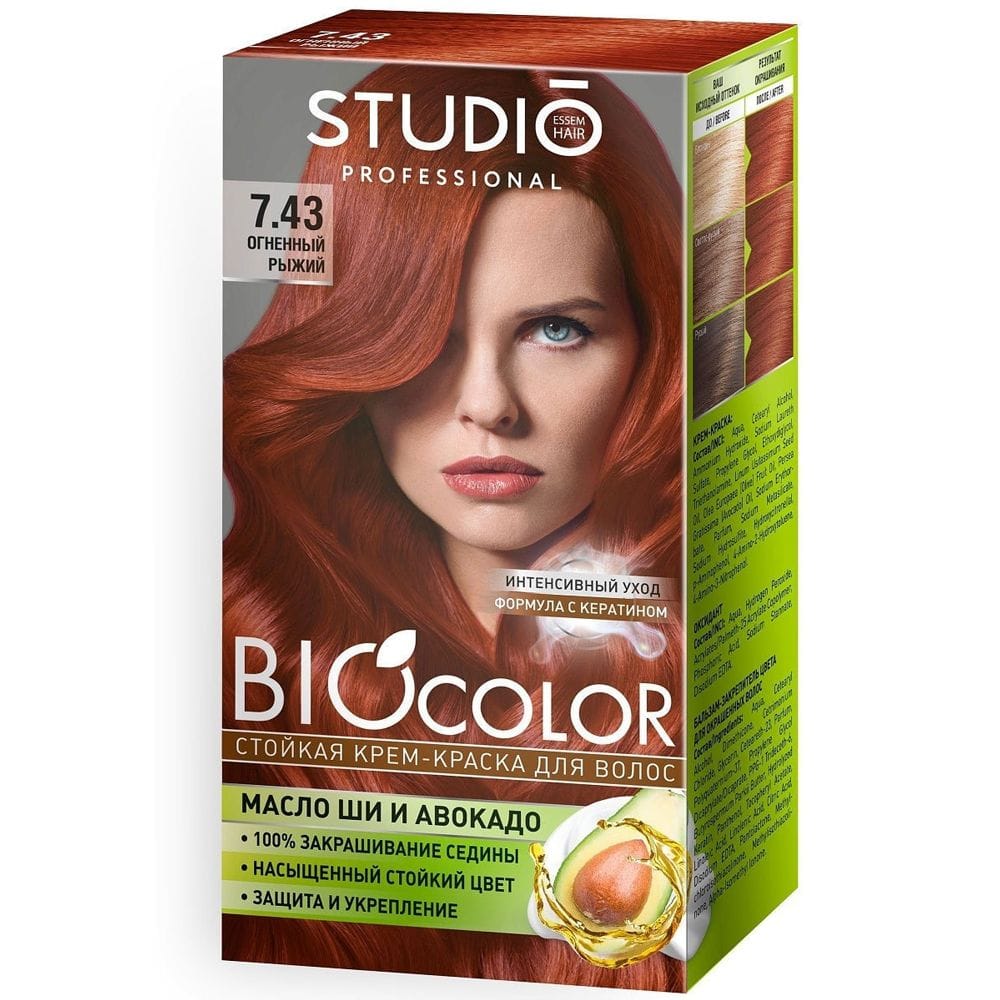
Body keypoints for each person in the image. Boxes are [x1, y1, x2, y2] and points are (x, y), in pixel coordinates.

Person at [223, 63, 685, 990]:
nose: (488, 406)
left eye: (555, 329)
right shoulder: (250, 668)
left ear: (652, 348)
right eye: (426, 337)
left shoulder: (718, 672)